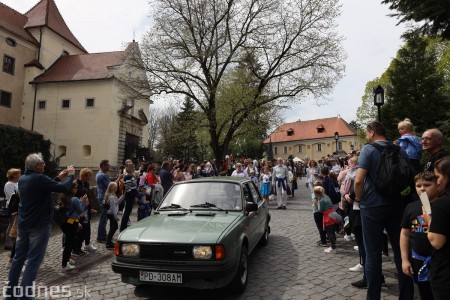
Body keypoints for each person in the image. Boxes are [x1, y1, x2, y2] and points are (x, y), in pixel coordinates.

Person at [354, 121, 414, 300]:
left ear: (372, 132)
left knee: (372, 254)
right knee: (401, 251)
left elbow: (358, 180)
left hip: (372, 205)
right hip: (397, 204)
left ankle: (373, 297)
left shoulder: (368, 150)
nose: (366, 136)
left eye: (367, 133)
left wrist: (359, 198)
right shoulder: (399, 149)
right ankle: (407, 295)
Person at [6, 153, 75, 298]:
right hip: (39, 225)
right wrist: (71, 175)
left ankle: (10, 293)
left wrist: (59, 177)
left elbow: (47, 186)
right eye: (43, 162)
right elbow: (63, 188)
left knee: (18, 259)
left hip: (24, 225)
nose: (45, 164)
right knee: (33, 261)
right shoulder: (39, 178)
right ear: (37, 165)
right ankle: (24, 296)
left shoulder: (24, 178)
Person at [400, 171, 437, 300]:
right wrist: (405, 260)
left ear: (438, 185)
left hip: (439, 261)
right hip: (418, 260)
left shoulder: (442, 206)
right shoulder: (411, 208)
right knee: (424, 293)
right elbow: (404, 234)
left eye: (427, 184)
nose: (422, 188)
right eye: (418, 185)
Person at [422, 157, 450, 299]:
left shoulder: (442, 204)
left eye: (438, 176)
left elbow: (436, 241)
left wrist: (429, 220)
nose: (437, 181)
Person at [58, 181, 89, 271]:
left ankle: (68, 260)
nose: (76, 189)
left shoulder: (63, 198)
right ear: (71, 189)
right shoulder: (74, 199)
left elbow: (71, 210)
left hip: (65, 223)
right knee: (69, 245)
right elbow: (81, 212)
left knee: (68, 243)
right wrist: (84, 203)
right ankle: (64, 265)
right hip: (72, 224)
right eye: (75, 188)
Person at [74, 168, 97, 253]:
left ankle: (85, 245)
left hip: (86, 209)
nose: (91, 177)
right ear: (85, 175)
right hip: (79, 210)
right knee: (80, 230)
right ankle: (76, 248)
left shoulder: (86, 184)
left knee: (87, 228)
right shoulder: (76, 184)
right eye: (90, 175)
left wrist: (90, 208)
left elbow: (88, 197)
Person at [96, 160, 117, 243]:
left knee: (104, 217)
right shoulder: (102, 176)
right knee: (103, 218)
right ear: (103, 166)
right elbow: (111, 186)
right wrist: (118, 179)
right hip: (104, 198)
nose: (109, 167)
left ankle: (103, 235)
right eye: (108, 165)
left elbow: (109, 180)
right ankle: (101, 237)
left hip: (101, 197)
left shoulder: (99, 174)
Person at [312, 186, 337, 253]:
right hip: (332, 214)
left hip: (326, 216)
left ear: (317, 194)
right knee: (331, 230)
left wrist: (316, 203)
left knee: (327, 231)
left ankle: (331, 246)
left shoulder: (321, 200)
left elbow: (320, 210)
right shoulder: (327, 197)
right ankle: (332, 244)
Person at [4, 168, 21, 251]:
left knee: (15, 225)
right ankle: (8, 243)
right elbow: (12, 197)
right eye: (18, 173)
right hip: (13, 207)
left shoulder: (17, 183)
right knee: (11, 225)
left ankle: (14, 242)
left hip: (18, 207)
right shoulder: (9, 184)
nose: (20, 175)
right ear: (14, 175)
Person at [120, 163, 139, 232]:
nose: (134, 168)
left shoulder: (131, 176)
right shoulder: (127, 177)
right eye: (133, 167)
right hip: (129, 197)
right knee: (126, 213)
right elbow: (128, 189)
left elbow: (133, 187)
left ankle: (124, 227)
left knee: (128, 212)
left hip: (131, 196)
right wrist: (134, 197)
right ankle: (122, 228)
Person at [104, 182, 120, 249]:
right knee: (114, 227)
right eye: (115, 188)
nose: (116, 189)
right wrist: (115, 216)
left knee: (113, 227)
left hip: (110, 214)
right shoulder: (111, 197)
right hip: (112, 214)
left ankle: (109, 241)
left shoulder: (111, 195)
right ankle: (108, 242)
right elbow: (113, 208)